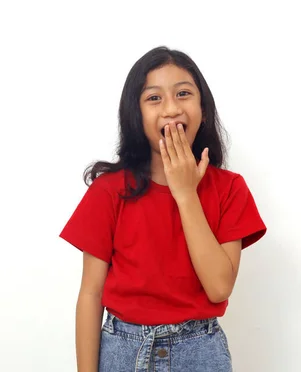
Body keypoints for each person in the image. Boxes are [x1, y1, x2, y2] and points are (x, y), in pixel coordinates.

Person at [59, 46, 267, 372]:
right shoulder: (109, 190)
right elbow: (90, 293)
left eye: (183, 93)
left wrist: (185, 193)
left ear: (204, 110)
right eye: (154, 98)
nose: (171, 108)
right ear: (135, 116)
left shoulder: (229, 189)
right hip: (122, 350)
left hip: (200, 351)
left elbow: (219, 287)